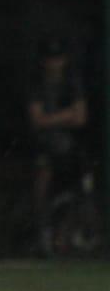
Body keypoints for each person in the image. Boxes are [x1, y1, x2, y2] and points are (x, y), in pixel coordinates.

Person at [28, 36, 94, 256]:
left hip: (70, 147)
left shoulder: (72, 83)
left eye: (57, 58)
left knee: (81, 187)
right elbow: (37, 120)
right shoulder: (37, 84)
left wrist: (52, 118)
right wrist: (66, 115)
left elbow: (81, 118)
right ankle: (42, 232)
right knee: (42, 180)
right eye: (50, 58)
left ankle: (66, 236)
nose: (54, 63)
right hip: (45, 146)